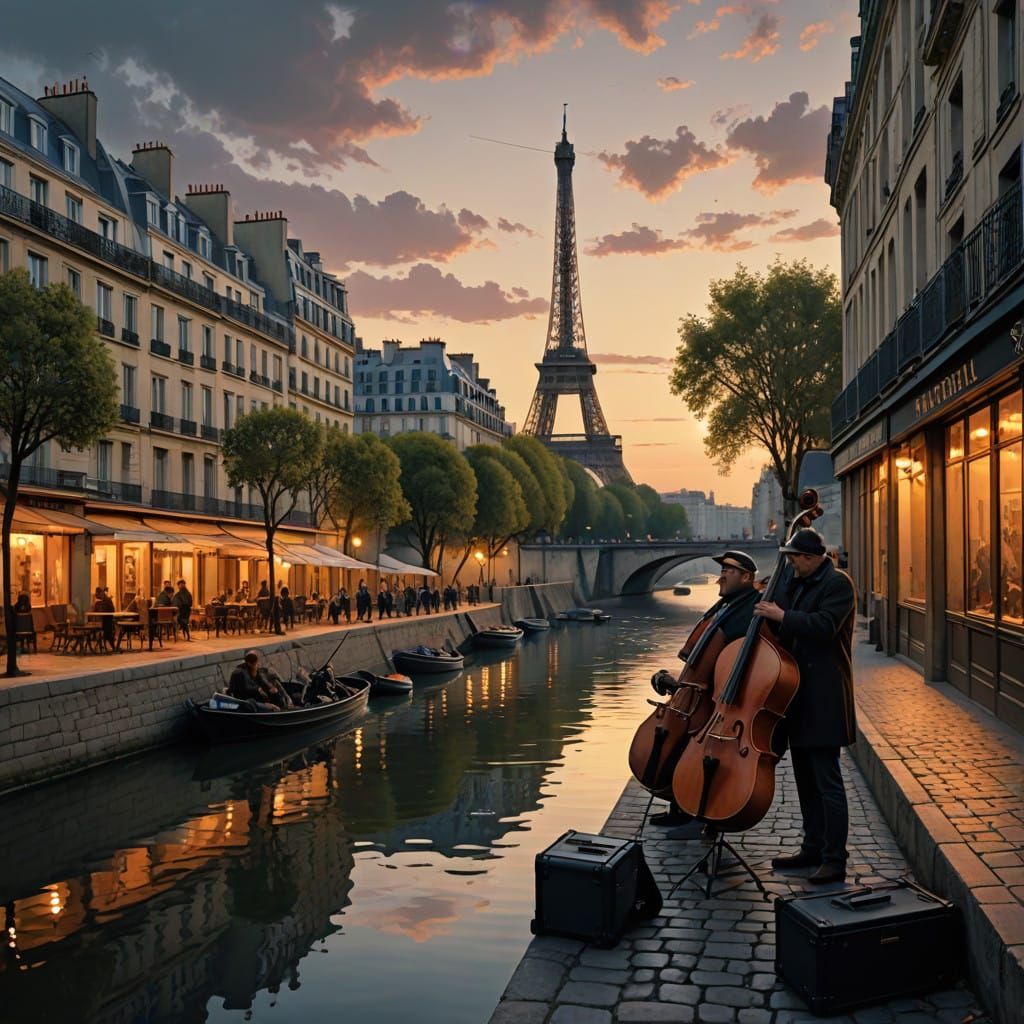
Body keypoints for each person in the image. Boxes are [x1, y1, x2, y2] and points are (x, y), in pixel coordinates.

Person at [753, 526, 856, 885]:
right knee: (805, 782)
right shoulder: (798, 583)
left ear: (813, 558)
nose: (792, 564)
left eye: (796, 558)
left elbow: (825, 626)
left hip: (825, 698)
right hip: (797, 697)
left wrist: (783, 616)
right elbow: (786, 633)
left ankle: (834, 859)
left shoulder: (838, 584)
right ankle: (811, 848)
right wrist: (769, 611)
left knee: (828, 782)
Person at [648, 550, 761, 827]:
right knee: (682, 746)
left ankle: (690, 806)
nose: (721, 575)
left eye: (729, 570)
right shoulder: (727, 606)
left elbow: (732, 659)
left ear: (746, 577)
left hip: (715, 697)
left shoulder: (747, 609)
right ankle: (680, 804)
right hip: (701, 693)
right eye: (721, 570)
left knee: (688, 748)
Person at [227, 650, 293, 711]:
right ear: (249, 663)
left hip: (255, 699)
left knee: (274, 690)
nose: (258, 665)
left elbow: (263, 682)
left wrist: (269, 689)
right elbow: (245, 691)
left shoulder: (255, 671)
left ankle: (284, 706)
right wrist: (259, 691)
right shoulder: (241, 673)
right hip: (247, 703)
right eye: (256, 663)